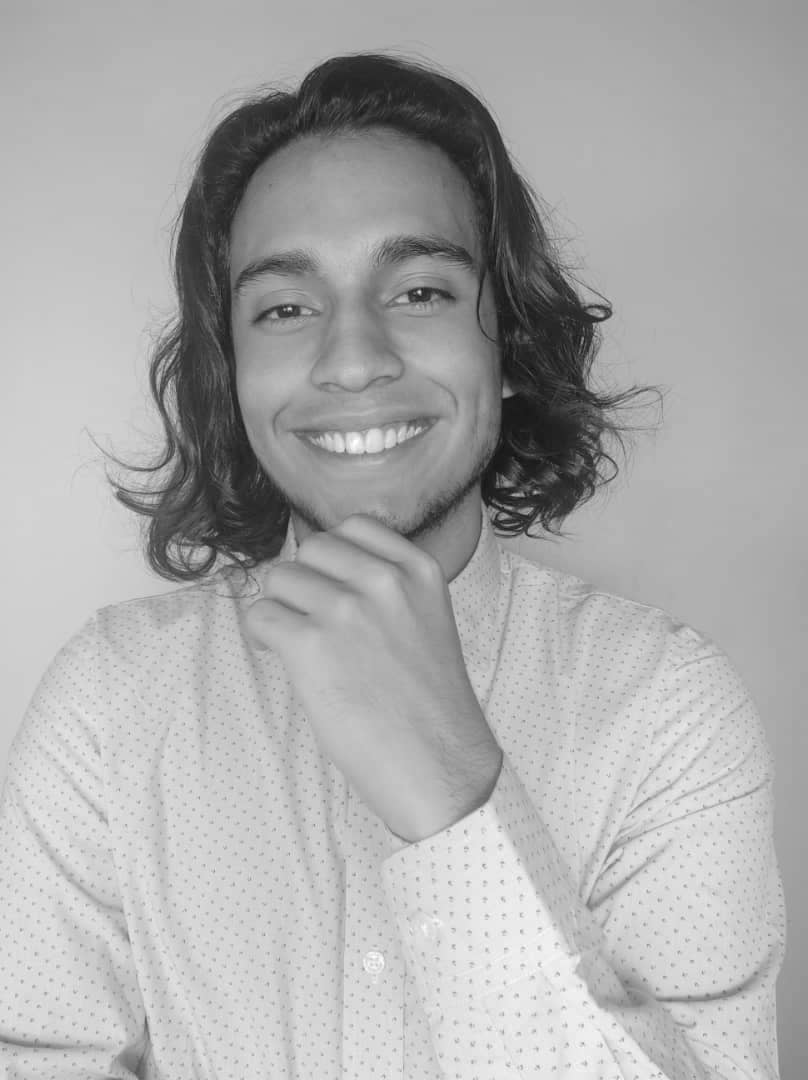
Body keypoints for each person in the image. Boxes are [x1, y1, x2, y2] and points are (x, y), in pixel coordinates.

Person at [0, 52, 785, 1080]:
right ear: (232, 374)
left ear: (506, 346)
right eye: (284, 308)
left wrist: (450, 787)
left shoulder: (668, 710)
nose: (352, 359)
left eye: (419, 290)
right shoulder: (108, 701)